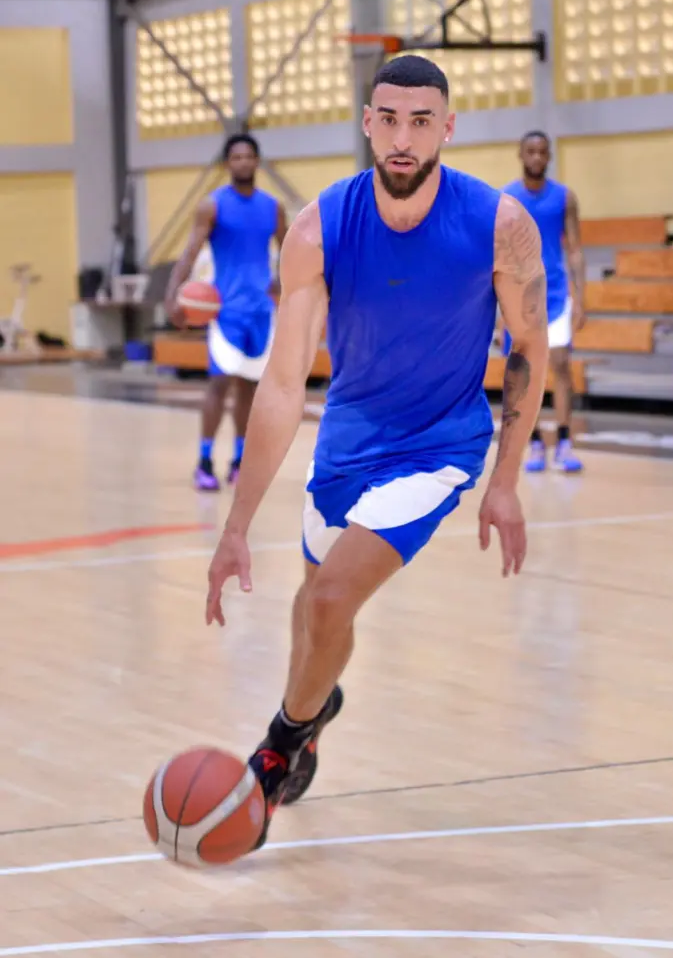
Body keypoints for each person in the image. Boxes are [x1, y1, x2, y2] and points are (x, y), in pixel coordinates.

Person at [203, 55, 550, 850]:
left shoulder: (500, 223)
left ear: (448, 128)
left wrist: (504, 480)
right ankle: (316, 705)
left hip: (438, 449)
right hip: (349, 443)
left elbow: (529, 349)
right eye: (388, 119)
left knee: (329, 603)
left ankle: (277, 748)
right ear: (367, 122)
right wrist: (235, 524)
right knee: (309, 608)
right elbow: (285, 381)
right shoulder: (319, 226)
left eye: (421, 121)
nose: (402, 138)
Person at [164, 133, 288, 492]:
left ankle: (239, 460)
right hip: (225, 312)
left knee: (250, 388)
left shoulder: (272, 207)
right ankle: (204, 461)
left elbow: (291, 248)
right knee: (219, 385)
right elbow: (189, 253)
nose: (243, 162)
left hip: (260, 312)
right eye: (236, 157)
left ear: (257, 162)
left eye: (249, 156)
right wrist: (172, 296)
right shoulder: (212, 206)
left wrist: (282, 283)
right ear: (227, 164)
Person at [502, 131, 586, 474]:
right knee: (525, 374)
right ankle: (534, 443)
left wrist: (581, 298)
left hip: (555, 296)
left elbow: (576, 250)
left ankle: (564, 441)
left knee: (561, 365)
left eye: (542, 152)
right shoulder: (507, 198)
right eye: (531, 152)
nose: (537, 157)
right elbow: (500, 256)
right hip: (520, 297)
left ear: (549, 156)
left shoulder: (565, 197)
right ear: (521, 155)